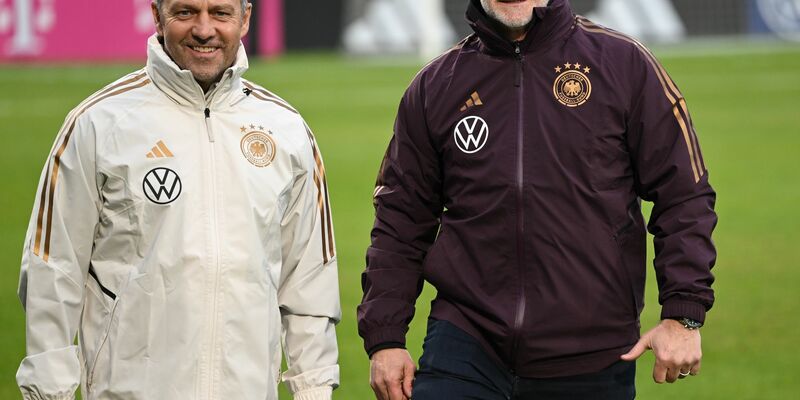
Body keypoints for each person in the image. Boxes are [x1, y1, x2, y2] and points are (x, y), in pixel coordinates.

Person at [358, 0, 717, 399]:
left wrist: (683, 314)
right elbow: (400, 220)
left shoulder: (625, 64)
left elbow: (684, 194)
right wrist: (386, 337)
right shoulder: (434, 85)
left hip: (590, 352)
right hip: (465, 345)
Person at [16, 0, 340, 399]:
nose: (204, 30)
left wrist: (314, 389)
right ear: (156, 15)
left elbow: (308, 279)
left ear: (245, 18)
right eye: (186, 12)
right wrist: (49, 392)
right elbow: (53, 270)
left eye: (220, 13)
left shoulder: (287, 130)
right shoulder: (98, 123)